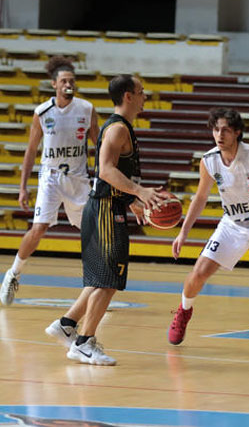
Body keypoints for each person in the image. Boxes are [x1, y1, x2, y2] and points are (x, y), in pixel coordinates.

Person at [46, 74, 167, 366]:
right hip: (104, 210)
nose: (144, 97)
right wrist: (139, 191)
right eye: (141, 92)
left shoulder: (121, 127)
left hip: (109, 206)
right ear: (128, 96)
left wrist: (133, 201)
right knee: (108, 280)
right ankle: (84, 343)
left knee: (102, 277)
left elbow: (115, 177)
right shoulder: (116, 129)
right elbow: (106, 171)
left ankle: (66, 324)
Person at [168, 107, 249, 358]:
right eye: (216, 129)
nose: (220, 134)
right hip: (233, 223)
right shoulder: (209, 161)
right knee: (199, 273)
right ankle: (184, 311)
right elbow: (201, 197)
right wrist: (183, 232)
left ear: (237, 132)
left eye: (226, 129)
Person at [1, 56, 99, 306]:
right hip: (51, 179)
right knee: (38, 229)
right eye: (64, 81)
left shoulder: (86, 109)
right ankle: (12, 274)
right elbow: (31, 151)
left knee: (93, 232)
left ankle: (96, 286)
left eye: (72, 81)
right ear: (54, 84)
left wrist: (102, 177)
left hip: (78, 180)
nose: (69, 84)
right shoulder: (42, 112)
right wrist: (23, 187)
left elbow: (99, 146)